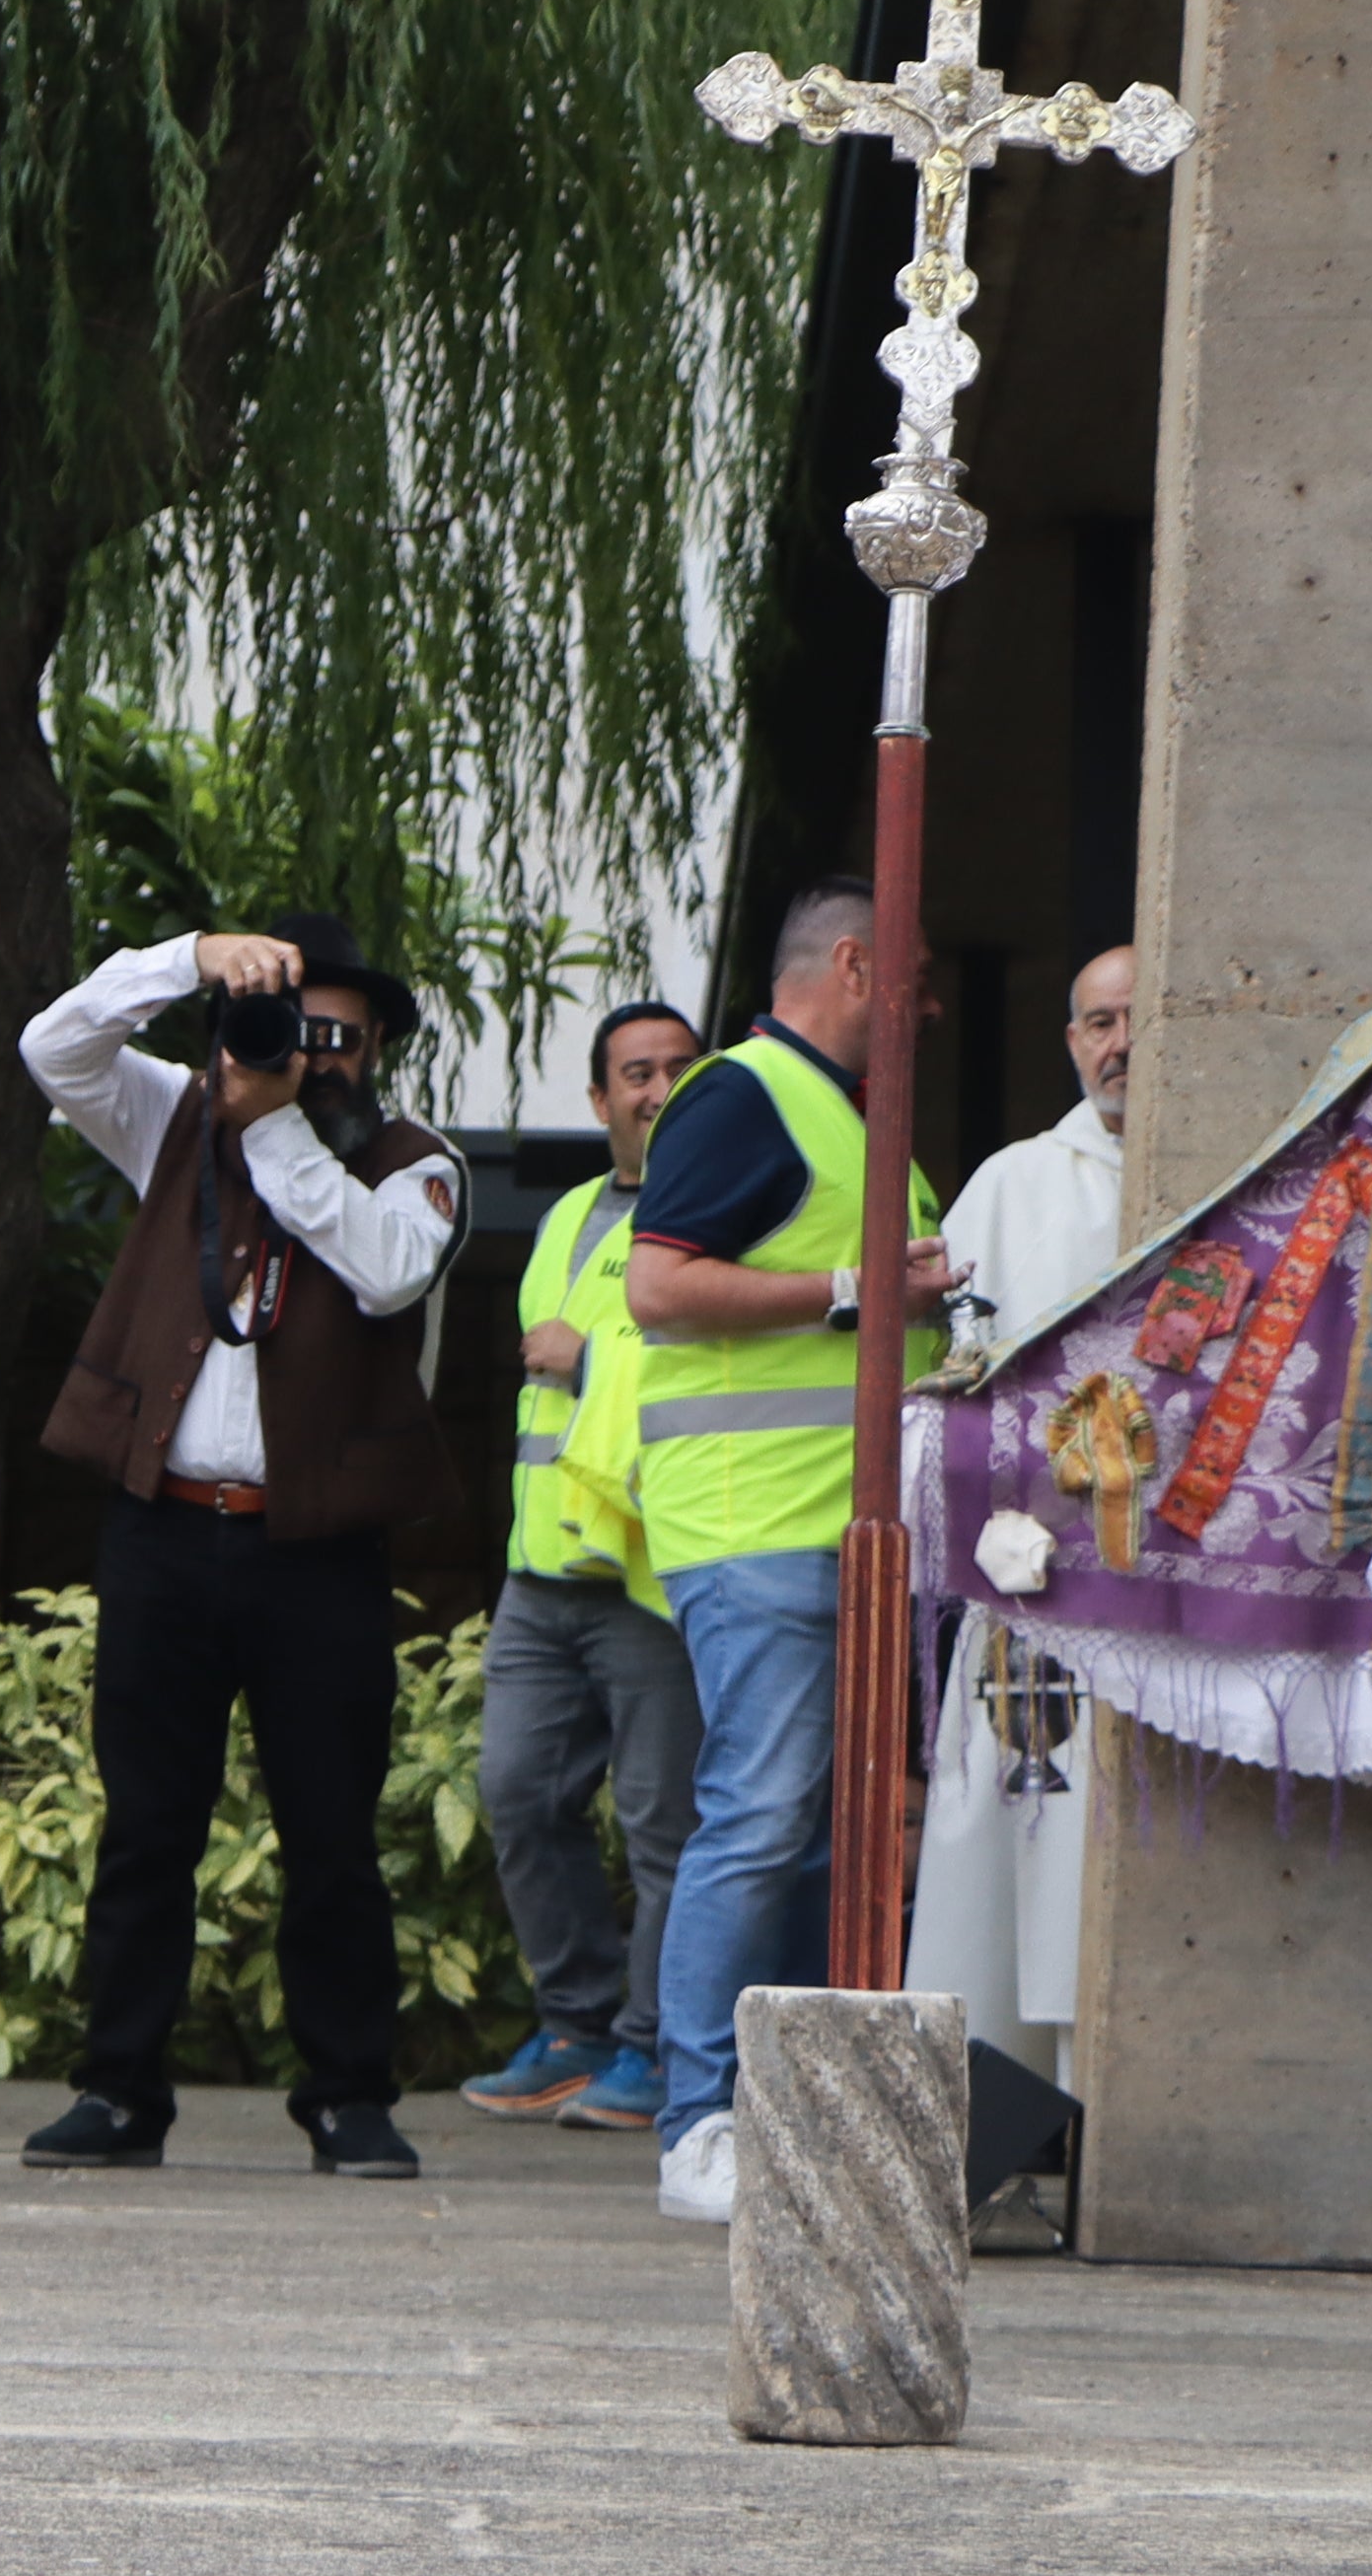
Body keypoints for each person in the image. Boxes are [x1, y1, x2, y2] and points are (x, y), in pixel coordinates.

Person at [15, 911, 466, 2182]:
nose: (306, 1056)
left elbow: (385, 1272)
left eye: (336, 1038)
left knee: (331, 1830)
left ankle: (348, 2096)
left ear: (374, 1049)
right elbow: (51, 1047)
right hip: (165, 1527)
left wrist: (270, 1122)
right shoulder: (173, 1117)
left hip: (318, 1547)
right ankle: (117, 2090)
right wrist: (189, 960)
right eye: (286, 1027)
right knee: (147, 1822)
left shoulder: (413, 1163)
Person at [616, 875, 949, 2227]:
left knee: (812, 1834)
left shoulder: (851, 1118)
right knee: (758, 1820)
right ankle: (696, 2126)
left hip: (836, 1537)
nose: (927, 1003)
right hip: (760, 1528)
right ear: (856, 966)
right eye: (915, 975)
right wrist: (854, 1292)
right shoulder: (748, 1093)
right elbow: (658, 1284)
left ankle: (772, 2111)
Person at [451, 995, 708, 2136]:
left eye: (676, 1071)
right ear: (598, 1101)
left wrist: (595, 1350)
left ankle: (652, 2052)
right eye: (634, 1074)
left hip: (656, 1576)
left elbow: (714, 1365)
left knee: (665, 1828)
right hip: (543, 1575)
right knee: (516, 1794)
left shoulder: (723, 1210)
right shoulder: (562, 1217)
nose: (656, 1091)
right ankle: (576, 2029)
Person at [908, 941, 1134, 2084]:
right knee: (1009, 1838)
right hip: (1036, 1582)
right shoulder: (1014, 1181)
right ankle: (999, 2115)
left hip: (1164, 1589)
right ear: (1070, 1041)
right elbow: (961, 1373)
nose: (1120, 1044)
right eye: (1097, 1021)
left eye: (1141, 1018)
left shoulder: (1233, 1181)